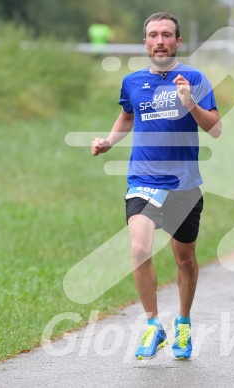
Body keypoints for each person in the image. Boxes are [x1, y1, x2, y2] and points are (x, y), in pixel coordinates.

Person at [91, 12, 221, 360]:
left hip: (184, 185)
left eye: (166, 35)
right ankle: (152, 324)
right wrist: (109, 140)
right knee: (138, 248)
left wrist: (189, 102)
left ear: (178, 42)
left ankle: (182, 322)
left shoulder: (194, 78)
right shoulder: (132, 82)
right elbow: (128, 115)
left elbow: (215, 128)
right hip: (143, 180)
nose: (160, 40)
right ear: (145, 42)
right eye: (153, 35)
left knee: (185, 259)